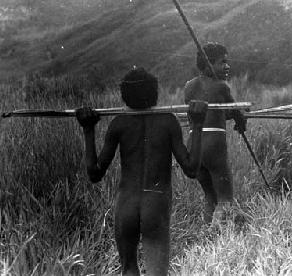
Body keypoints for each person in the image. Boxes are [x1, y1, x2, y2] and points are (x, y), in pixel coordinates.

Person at [76, 67, 207, 276]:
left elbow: (94, 173)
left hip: (126, 204)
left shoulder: (119, 123)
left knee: (128, 269)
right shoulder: (168, 121)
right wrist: (198, 125)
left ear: (124, 96)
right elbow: (191, 169)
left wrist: (88, 129)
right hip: (155, 204)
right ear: (154, 93)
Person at [184, 43, 247, 224]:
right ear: (207, 64)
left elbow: (211, 112)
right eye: (222, 62)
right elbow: (235, 111)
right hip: (214, 144)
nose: (227, 66)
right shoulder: (222, 86)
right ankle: (217, 234)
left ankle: (207, 232)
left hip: (194, 144)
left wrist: (231, 117)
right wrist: (242, 123)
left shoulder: (189, 87)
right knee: (225, 198)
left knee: (210, 196)